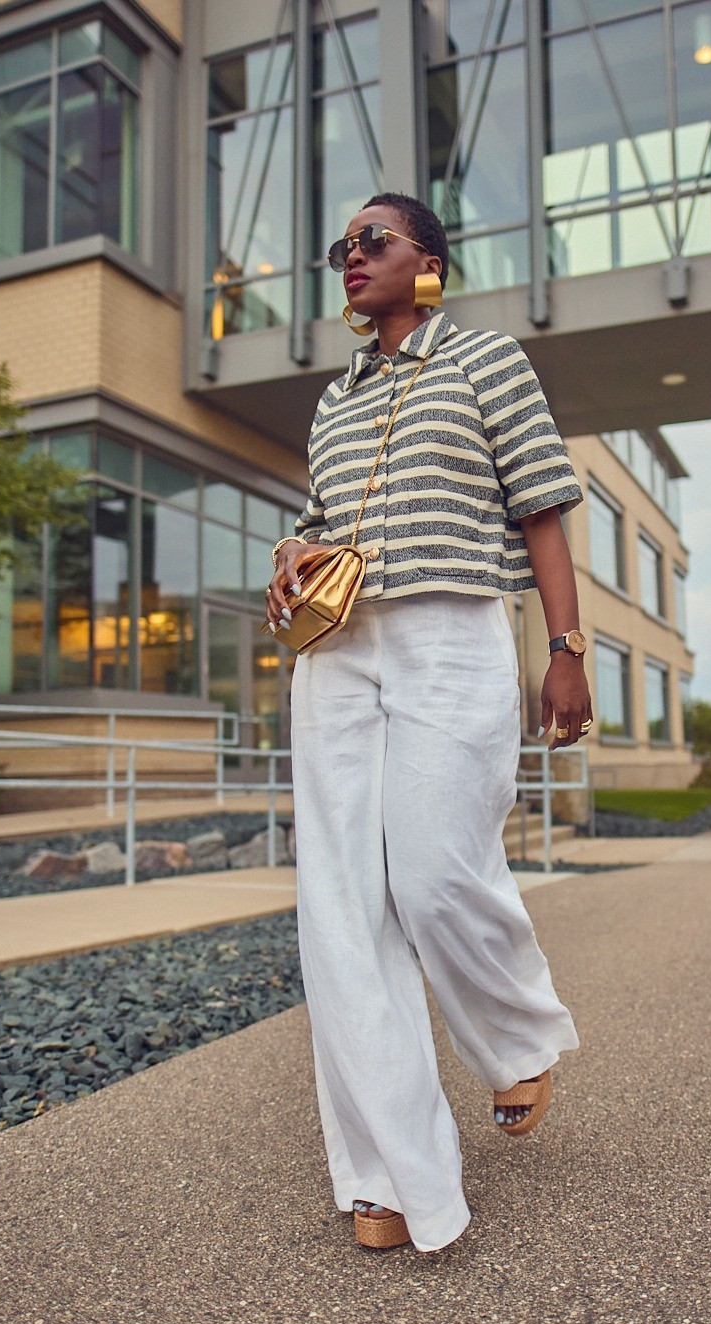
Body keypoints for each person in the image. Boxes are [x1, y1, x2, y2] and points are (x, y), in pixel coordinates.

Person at [265, 192, 591, 1254]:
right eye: (340, 247)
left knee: (437, 871)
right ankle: (390, 1175)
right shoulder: (334, 398)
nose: (351, 257)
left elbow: (540, 505)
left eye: (373, 241)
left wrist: (566, 649)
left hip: (451, 635)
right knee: (345, 914)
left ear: (430, 261)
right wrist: (289, 557)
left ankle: (516, 1034)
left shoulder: (488, 363)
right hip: (339, 650)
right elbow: (320, 520)